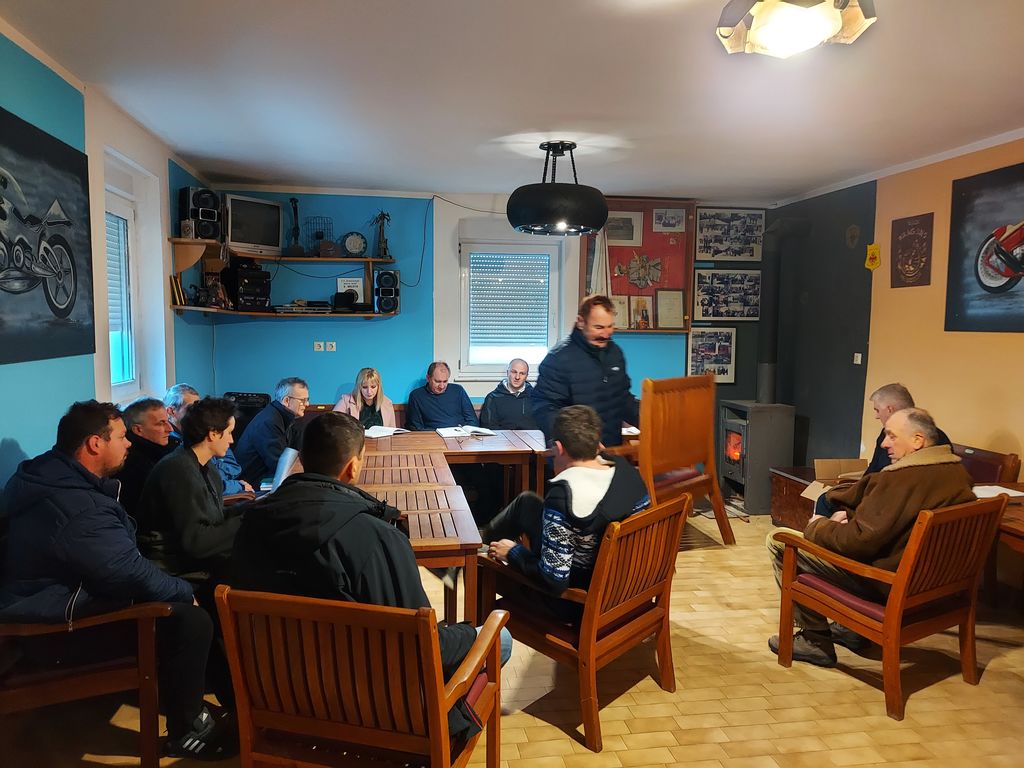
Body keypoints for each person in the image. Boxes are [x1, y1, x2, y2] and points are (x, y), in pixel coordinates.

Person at [229, 411, 511, 738]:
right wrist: (463, 633)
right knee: (500, 638)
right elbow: (421, 644)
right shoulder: (377, 539)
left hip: (281, 700)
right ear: (353, 467)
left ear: (302, 459)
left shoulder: (250, 524)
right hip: (373, 713)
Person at [0, 400, 234, 760]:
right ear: (95, 444)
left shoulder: (47, 474)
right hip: (54, 624)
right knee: (193, 618)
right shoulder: (78, 507)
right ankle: (187, 731)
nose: (129, 444)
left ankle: (221, 703)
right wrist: (183, 591)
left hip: (45, 599)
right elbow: (125, 569)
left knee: (191, 603)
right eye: (123, 437)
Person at [767, 408, 975, 667]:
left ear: (917, 440)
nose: (884, 443)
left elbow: (858, 542)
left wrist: (819, 526)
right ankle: (851, 631)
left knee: (779, 541)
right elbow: (894, 524)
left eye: (892, 436)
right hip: (932, 586)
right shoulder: (958, 473)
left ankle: (815, 639)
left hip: (887, 585)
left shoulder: (901, 479)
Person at [483, 405, 651, 620]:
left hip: (579, 602)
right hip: (628, 589)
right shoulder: (627, 471)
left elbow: (553, 581)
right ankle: (477, 545)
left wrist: (514, 552)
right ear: (597, 444)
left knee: (482, 569)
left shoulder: (564, 498)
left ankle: (476, 633)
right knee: (527, 503)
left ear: (559, 448)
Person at [138, 397, 243, 585]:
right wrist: (248, 522)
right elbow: (197, 542)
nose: (231, 440)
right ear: (213, 433)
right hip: (176, 572)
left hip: (194, 564)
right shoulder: (178, 470)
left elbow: (214, 517)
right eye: (228, 433)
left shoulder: (205, 466)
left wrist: (252, 509)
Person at [813, 383, 951, 518]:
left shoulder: (901, 442)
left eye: (877, 410)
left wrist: (848, 513)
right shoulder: (938, 437)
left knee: (825, 500)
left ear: (890, 409)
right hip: (921, 508)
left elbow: (879, 479)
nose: (876, 416)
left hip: (888, 505)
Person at [532, 295, 638, 448]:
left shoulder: (615, 353)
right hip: (573, 453)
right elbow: (544, 409)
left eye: (610, 326)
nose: (606, 334)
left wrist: (653, 421)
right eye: (599, 327)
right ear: (581, 322)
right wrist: (576, 443)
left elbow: (622, 399)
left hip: (610, 449)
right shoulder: (558, 358)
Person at [165, 383, 251, 495]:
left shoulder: (209, 437)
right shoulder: (177, 453)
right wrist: (235, 484)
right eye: (191, 408)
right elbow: (206, 485)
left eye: (199, 408)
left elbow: (234, 468)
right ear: (171, 411)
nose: (198, 413)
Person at [233, 377, 308, 486]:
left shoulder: (290, 418)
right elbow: (280, 465)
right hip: (253, 485)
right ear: (286, 401)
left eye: (307, 399)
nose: (307, 404)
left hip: (268, 478)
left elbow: (297, 453)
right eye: (303, 400)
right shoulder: (269, 422)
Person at [115, 396, 177, 519]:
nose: (170, 429)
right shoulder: (132, 465)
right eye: (161, 423)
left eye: (168, 421)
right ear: (138, 429)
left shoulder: (171, 447)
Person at [406, 361, 477, 430]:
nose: (442, 386)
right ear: (428, 378)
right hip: (433, 435)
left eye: (445, 381)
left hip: (459, 434)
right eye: (437, 381)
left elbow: (472, 420)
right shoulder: (416, 396)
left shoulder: (458, 390)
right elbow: (416, 427)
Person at [479, 358, 537, 430]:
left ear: (526, 376)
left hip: (531, 436)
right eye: (514, 372)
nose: (517, 377)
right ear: (507, 373)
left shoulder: (536, 397)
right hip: (502, 437)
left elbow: (543, 425)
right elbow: (488, 427)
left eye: (522, 373)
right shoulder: (492, 398)